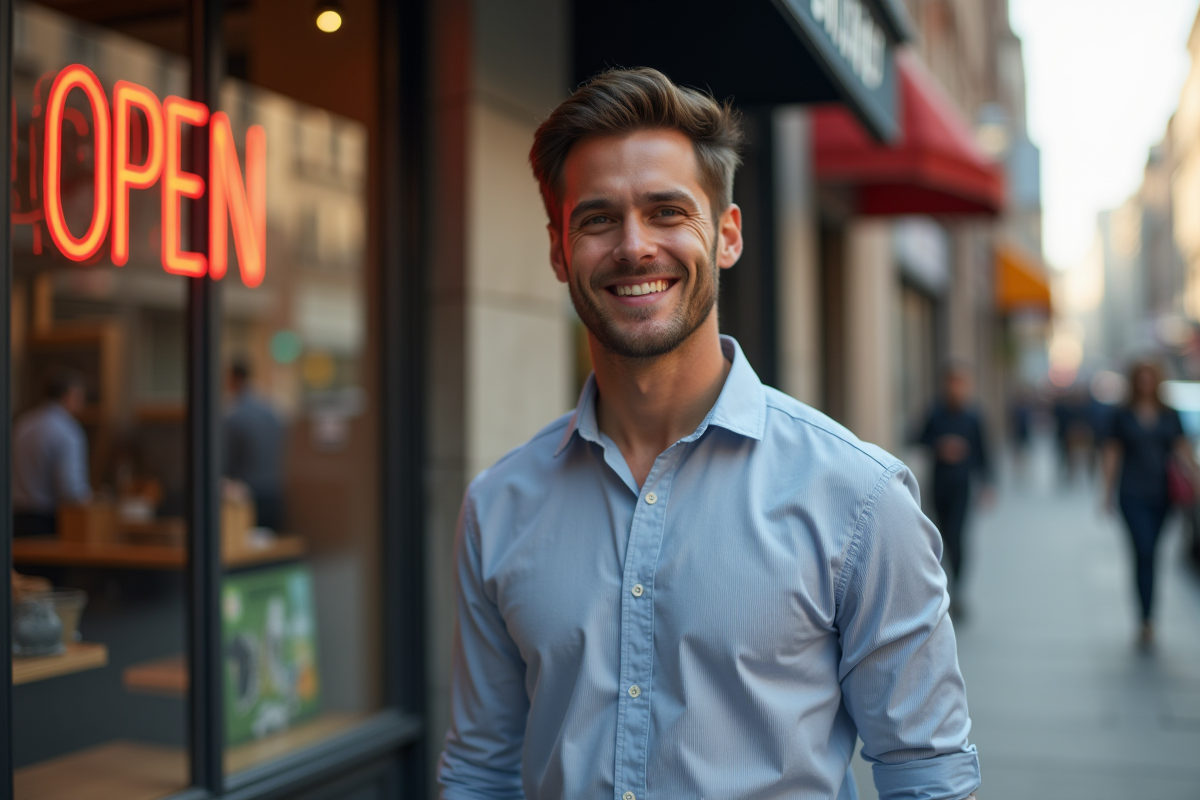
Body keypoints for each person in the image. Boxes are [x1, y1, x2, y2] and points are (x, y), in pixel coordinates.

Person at [438, 68, 979, 800]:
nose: (634, 247)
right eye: (598, 219)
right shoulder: (499, 504)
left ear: (726, 235)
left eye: (667, 211)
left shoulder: (859, 499)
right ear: (561, 250)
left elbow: (927, 775)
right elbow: (481, 769)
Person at [1102, 361, 1198, 646]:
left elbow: (1182, 449)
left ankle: (1149, 616)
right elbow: (1112, 453)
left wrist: (1196, 478)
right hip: (1132, 493)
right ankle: (1144, 618)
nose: (1145, 383)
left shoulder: (1170, 414)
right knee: (1142, 551)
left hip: (1162, 494)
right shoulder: (1121, 415)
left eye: (1149, 378)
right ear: (1134, 382)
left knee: (1152, 554)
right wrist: (1106, 492)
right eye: (1140, 378)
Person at [919, 363, 994, 609]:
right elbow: (918, 437)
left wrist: (988, 485)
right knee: (937, 536)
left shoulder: (973, 416)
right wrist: (940, 446)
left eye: (961, 382)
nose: (956, 388)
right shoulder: (935, 413)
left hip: (962, 485)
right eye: (952, 382)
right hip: (939, 484)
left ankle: (958, 589)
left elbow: (984, 453)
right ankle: (939, 586)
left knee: (957, 537)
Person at [12, 367, 92, 536]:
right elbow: (71, 490)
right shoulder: (68, 430)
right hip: (48, 522)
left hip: (16, 519)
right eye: (80, 396)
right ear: (69, 395)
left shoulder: (23, 424)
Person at [224, 359, 285, 530]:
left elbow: (229, 462)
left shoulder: (235, 416)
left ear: (234, 378)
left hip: (246, 497)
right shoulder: (272, 411)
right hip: (274, 492)